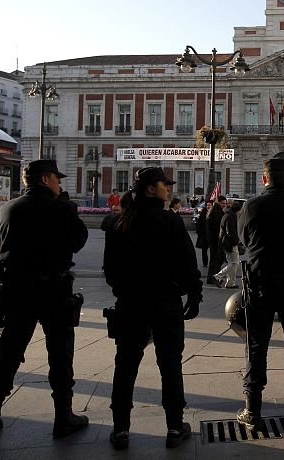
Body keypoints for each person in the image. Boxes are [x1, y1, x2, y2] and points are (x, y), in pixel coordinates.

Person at [0, 160, 89, 442]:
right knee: (60, 355)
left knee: (9, 353)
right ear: (45, 179)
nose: (59, 184)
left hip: (18, 292)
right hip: (54, 291)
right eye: (56, 179)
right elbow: (78, 240)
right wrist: (66, 209)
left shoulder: (9, 208)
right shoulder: (61, 208)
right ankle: (63, 417)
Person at [103, 167, 202, 450]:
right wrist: (193, 296)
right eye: (164, 184)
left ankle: (120, 428)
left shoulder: (118, 222)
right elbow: (187, 264)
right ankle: (174, 426)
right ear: (150, 188)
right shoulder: (169, 221)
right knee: (170, 365)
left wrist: (126, 292)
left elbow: (110, 271)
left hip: (131, 304)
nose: (168, 189)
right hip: (165, 304)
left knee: (125, 366)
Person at [235, 158, 284, 430]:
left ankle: (252, 410)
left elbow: (243, 238)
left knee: (256, 346)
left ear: (264, 179)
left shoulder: (251, 206)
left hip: (261, 283)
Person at [216, 198, 240, 289]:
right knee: (234, 263)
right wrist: (236, 241)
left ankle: (230, 283)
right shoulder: (231, 216)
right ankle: (218, 276)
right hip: (230, 243)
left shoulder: (227, 214)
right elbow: (231, 231)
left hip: (226, 242)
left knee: (232, 262)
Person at [206, 195, 228, 285]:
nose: (224, 205)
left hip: (216, 239)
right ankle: (212, 278)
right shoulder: (215, 211)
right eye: (223, 203)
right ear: (218, 202)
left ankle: (214, 277)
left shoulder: (217, 210)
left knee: (218, 259)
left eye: (225, 203)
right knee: (215, 260)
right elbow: (215, 227)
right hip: (215, 240)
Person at [195, 200, 210, 268]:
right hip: (204, 235)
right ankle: (205, 263)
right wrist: (199, 232)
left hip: (211, 235)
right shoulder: (203, 213)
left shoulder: (213, 213)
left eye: (209, 205)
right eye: (207, 205)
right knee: (204, 250)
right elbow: (198, 224)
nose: (208, 206)